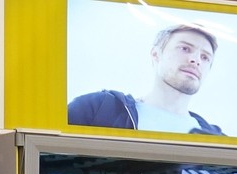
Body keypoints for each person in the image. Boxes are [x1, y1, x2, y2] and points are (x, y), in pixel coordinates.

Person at [68, 23, 227, 136]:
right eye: (185, 48)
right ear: (156, 54)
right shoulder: (98, 108)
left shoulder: (218, 140)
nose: (196, 60)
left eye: (205, 57)